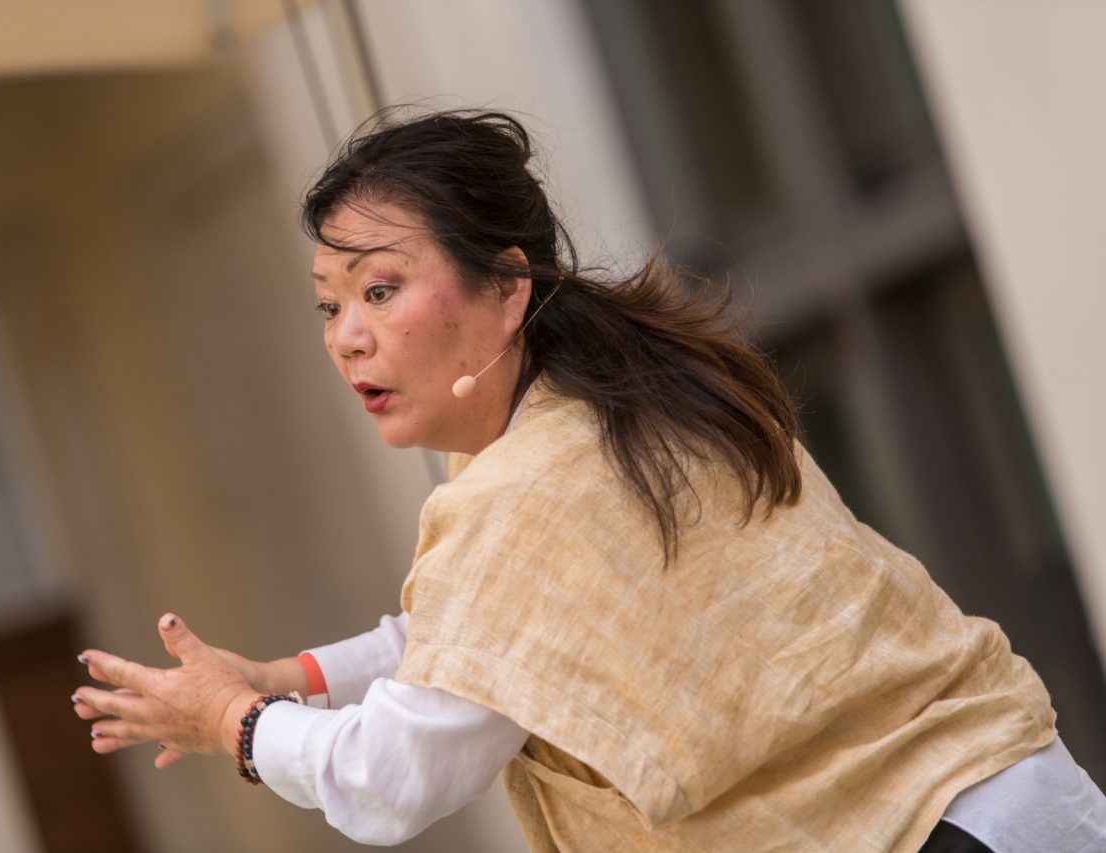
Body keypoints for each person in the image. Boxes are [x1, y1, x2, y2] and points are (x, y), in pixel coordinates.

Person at [72, 109, 1106, 851]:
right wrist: (290, 679)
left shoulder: (522, 493)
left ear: (506, 287)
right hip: (1008, 799)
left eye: (380, 289)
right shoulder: (622, 393)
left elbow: (388, 781)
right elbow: (490, 648)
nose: (348, 339)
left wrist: (230, 725)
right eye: (329, 306)